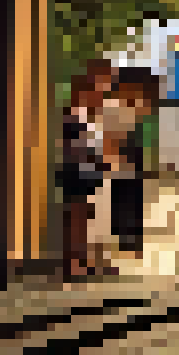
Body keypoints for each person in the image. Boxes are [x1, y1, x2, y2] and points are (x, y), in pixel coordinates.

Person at [57, 62, 116, 279]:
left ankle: (89, 260)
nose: (105, 86)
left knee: (91, 216)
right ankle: (74, 263)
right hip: (78, 168)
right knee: (77, 216)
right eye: (103, 80)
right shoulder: (76, 109)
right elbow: (72, 142)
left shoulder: (97, 110)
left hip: (92, 167)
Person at [108, 68, 162, 257]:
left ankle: (129, 237)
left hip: (134, 153)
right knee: (123, 195)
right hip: (125, 153)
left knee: (132, 195)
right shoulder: (121, 105)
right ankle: (126, 237)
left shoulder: (141, 106)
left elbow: (149, 134)